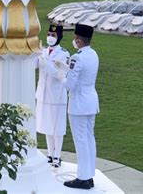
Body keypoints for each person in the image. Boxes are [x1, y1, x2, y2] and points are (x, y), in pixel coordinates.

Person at [64, 23, 99, 190]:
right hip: (91, 101)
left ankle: (83, 178)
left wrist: (60, 74)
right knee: (89, 138)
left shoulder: (76, 57)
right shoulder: (93, 54)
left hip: (79, 103)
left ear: (78, 40)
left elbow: (70, 85)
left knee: (81, 141)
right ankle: (89, 175)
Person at [35, 24, 70, 168]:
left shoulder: (64, 54)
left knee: (57, 127)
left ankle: (57, 156)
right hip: (43, 93)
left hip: (56, 95)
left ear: (59, 37)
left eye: (54, 35)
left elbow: (59, 74)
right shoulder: (43, 51)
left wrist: (45, 63)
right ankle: (50, 154)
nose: (50, 37)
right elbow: (34, 65)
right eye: (49, 34)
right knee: (47, 125)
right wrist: (33, 54)